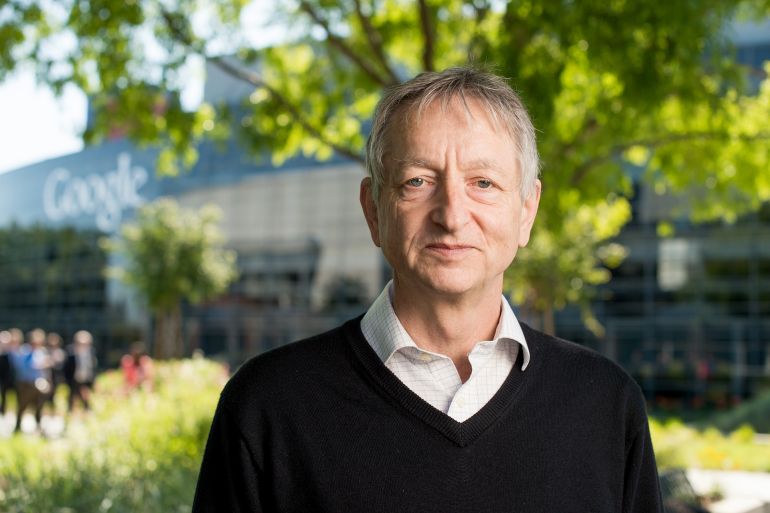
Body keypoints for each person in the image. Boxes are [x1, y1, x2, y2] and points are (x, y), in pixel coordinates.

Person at [193, 67, 663, 512]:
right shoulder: (267, 408)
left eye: (483, 182)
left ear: (526, 210)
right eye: (417, 181)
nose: (452, 214)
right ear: (374, 209)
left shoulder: (605, 405)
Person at [12, 328, 51, 434]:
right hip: (26, 384)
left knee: (39, 406)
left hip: (39, 384)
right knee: (22, 406)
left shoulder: (42, 352)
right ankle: (17, 426)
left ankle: (38, 426)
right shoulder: (24, 351)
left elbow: (45, 370)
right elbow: (21, 367)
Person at [63, 330, 98, 413]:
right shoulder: (70, 353)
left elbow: (93, 367)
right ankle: (70, 412)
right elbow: (66, 368)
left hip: (86, 379)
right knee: (72, 397)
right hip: (74, 379)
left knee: (85, 397)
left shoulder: (91, 352)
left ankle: (87, 411)